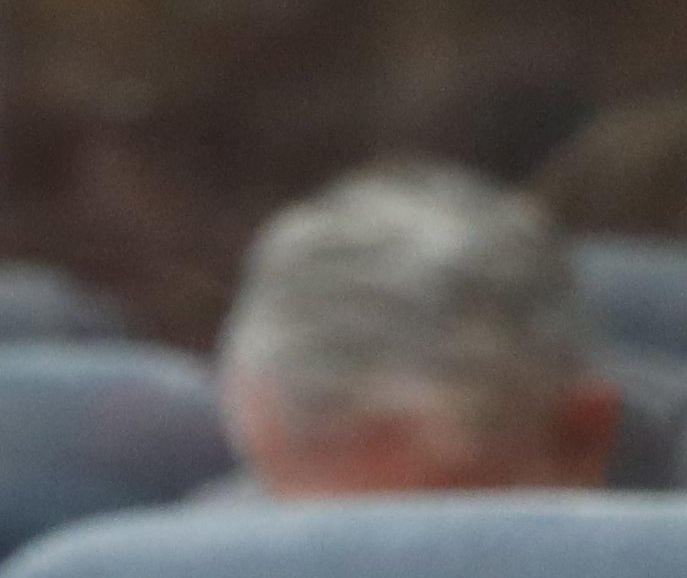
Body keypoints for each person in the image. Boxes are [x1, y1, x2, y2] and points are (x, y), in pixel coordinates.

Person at [218, 163, 621, 497]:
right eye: (307, 533)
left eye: (417, 541)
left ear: (582, 437)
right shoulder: (206, 546)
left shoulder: (682, 566)